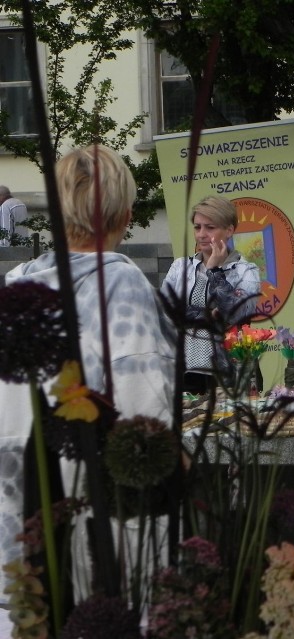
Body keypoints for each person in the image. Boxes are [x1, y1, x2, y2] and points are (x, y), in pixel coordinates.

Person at [0, 144, 176, 604]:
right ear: (126, 214)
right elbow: (146, 416)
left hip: (19, 520)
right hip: (99, 528)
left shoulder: (18, 288)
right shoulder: (123, 286)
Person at [161, 195, 260, 393]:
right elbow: (163, 313)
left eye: (210, 227)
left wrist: (214, 272)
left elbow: (234, 314)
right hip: (182, 371)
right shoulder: (180, 266)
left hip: (228, 373)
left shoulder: (246, 271)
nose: (202, 234)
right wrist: (210, 314)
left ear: (229, 230)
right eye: (198, 227)